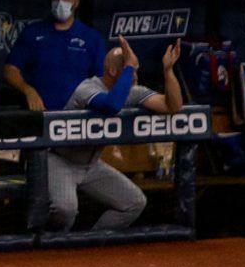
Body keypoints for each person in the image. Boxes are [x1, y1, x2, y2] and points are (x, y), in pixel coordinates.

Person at [47, 39, 184, 233]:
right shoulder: (87, 88)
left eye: (135, 70)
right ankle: (49, 249)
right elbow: (111, 105)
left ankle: (89, 243)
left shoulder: (129, 91)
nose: (135, 76)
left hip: (90, 165)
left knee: (134, 202)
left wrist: (168, 72)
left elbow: (173, 106)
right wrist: (129, 67)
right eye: (131, 70)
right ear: (113, 71)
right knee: (65, 210)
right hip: (60, 160)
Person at [3, 0, 106, 113]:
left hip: (77, 119)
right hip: (37, 117)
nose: (60, 2)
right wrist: (28, 90)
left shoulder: (91, 37)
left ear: (76, 1)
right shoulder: (33, 32)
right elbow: (9, 70)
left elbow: (103, 80)